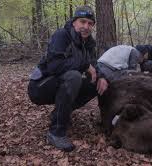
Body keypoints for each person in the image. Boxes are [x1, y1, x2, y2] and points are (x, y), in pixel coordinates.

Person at [27, 5, 108, 152]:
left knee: (95, 83)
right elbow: (54, 66)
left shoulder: (89, 43)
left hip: (59, 82)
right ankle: (56, 132)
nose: (86, 26)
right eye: (82, 22)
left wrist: (102, 77)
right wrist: (84, 65)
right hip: (39, 86)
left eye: (90, 23)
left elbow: (94, 63)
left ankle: (60, 113)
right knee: (73, 77)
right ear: (74, 22)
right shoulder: (62, 36)